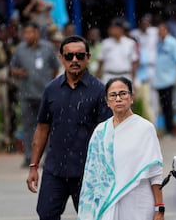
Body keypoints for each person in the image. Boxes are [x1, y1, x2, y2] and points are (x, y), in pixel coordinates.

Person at [26, 35, 112, 220]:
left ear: (88, 58)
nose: (74, 60)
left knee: (91, 217)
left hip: (88, 172)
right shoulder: (51, 89)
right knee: (46, 213)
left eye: (80, 56)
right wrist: (34, 166)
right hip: (54, 169)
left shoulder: (99, 91)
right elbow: (42, 128)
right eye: (69, 56)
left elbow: (108, 134)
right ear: (61, 58)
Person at [78, 76, 164, 220]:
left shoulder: (145, 128)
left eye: (123, 93)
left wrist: (159, 207)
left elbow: (155, 171)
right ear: (107, 101)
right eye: (113, 95)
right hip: (107, 202)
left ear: (131, 98)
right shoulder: (100, 131)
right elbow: (92, 175)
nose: (118, 98)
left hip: (138, 201)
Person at [10, 22, 60, 167]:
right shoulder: (20, 49)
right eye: (25, 33)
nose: (27, 36)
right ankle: (28, 157)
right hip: (26, 94)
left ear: (37, 33)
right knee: (28, 126)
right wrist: (19, 73)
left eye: (30, 32)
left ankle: (47, 157)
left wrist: (49, 82)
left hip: (45, 94)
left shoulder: (48, 48)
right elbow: (12, 68)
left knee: (46, 126)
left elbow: (55, 67)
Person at [153, 22, 176, 136]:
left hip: (169, 78)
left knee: (169, 105)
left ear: (167, 30)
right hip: (159, 79)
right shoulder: (158, 43)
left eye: (161, 30)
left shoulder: (173, 43)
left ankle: (170, 129)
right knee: (163, 106)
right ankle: (167, 128)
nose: (159, 33)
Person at [97, 18, 139, 83]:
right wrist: (98, 76)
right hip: (108, 76)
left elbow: (134, 63)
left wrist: (134, 80)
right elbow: (100, 61)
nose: (112, 30)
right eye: (111, 28)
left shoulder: (130, 43)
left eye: (115, 28)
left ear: (121, 29)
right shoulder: (105, 43)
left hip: (125, 75)